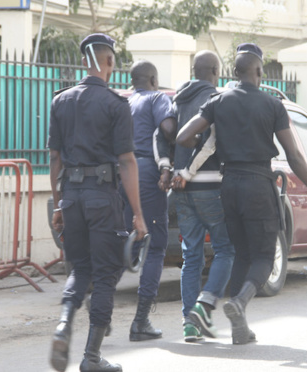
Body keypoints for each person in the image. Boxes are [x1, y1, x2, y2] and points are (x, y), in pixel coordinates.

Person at [177, 43, 307, 345]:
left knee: (241, 255)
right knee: (263, 256)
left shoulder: (218, 101)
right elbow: (295, 155)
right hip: (259, 183)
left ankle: (232, 323)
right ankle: (240, 303)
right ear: (259, 71)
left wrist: (205, 148)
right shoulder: (272, 105)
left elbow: (183, 136)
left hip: (229, 185)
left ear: (234, 72)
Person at [47, 33, 147, 372]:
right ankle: (91, 358)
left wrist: (59, 205)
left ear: (83, 62)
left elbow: (55, 160)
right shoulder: (116, 105)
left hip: (72, 198)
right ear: (109, 62)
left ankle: (63, 324)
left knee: (80, 267)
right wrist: (138, 215)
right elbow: (127, 163)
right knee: (105, 276)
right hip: (103, 198)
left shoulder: (60, 101)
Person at [171, 50, 235, 342]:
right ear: (214, 71)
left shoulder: (178, 97)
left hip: (181, 190)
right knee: (224, 249)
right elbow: (210, 143)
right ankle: (202, 307)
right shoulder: (216, 99)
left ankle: (189, 324)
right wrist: (188, 171)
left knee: (191, 256)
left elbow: (164, 136)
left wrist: (170, 169)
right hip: (208, 186)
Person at [124, 60, 177, 342]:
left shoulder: (125, 101)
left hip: (121, 173)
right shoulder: (158, 98)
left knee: (125, 243)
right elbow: (168, 129)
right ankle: (141, 320)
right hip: (145, 171)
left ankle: (101, 314)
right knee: (155, 245)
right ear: (154, 80)